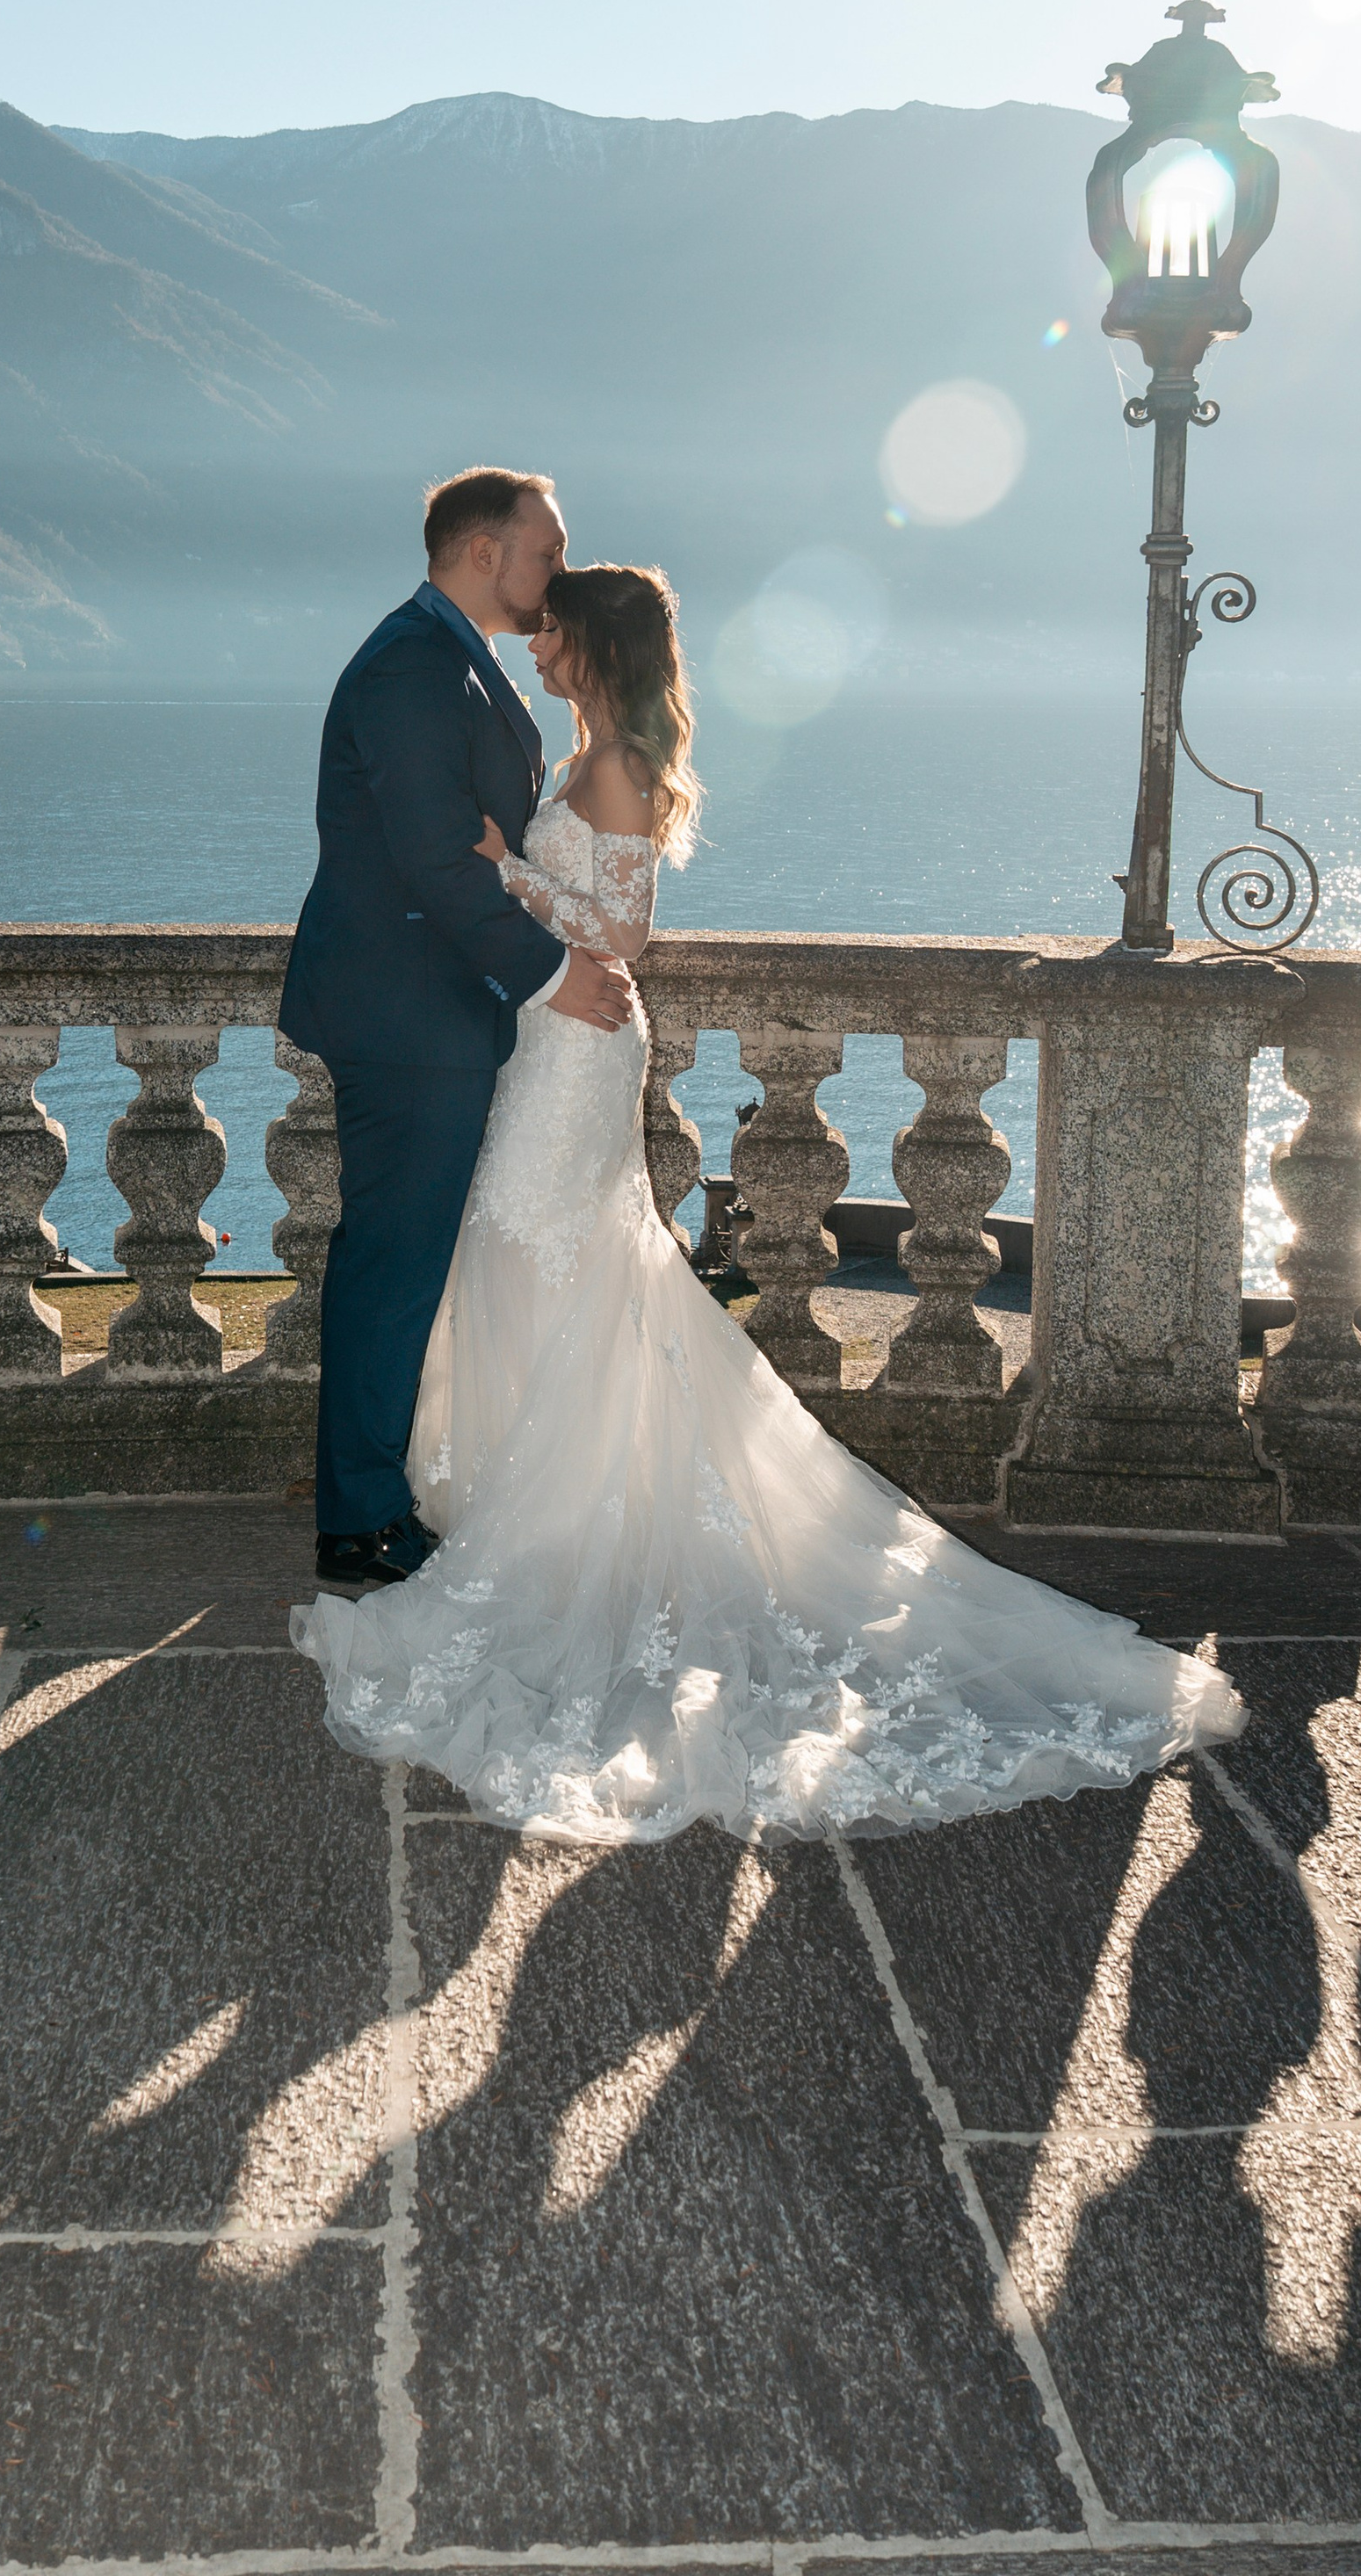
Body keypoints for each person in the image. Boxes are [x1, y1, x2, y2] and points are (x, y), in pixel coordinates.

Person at [292, 559, 1245, 1842]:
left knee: (552, 1248)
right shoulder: (581, 754)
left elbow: (623, 934)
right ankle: (523, 1503)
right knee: (525, 1253)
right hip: (551, 1043)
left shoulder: (617, 761)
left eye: (552, 630)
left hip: (579, 1048)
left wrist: (509, 877)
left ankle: (561, 1529)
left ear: (591, 645)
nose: (536, 644)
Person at [280, 469, 634, 1591]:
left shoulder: (455, 664)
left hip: (435, 1011)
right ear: (483, 551)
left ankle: (382, 1493)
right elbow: (436, 855)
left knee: (409, 1258)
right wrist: (549, 978)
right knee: (392, 1264)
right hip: (407, 1017)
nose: (557, 575)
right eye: (547, 551)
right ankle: (361, 1522)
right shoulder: (411, 668)